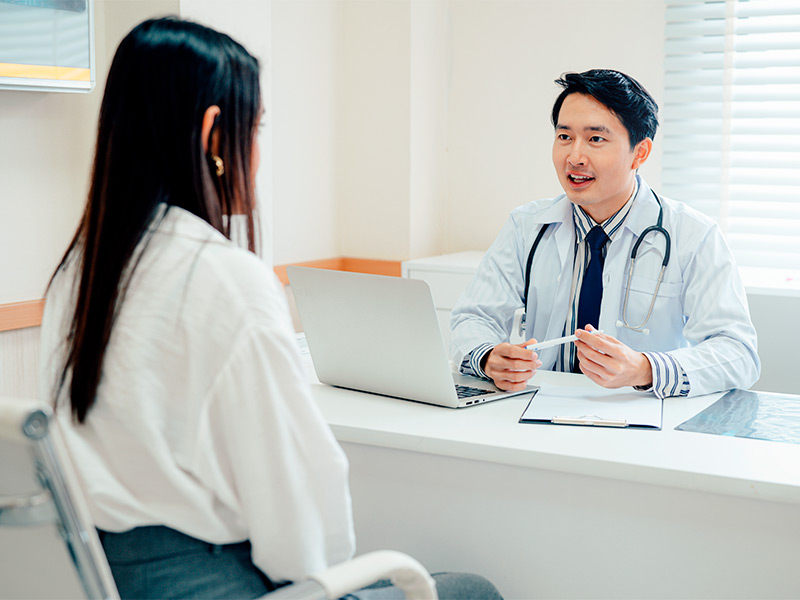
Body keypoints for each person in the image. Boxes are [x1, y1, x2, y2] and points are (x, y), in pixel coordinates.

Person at [39, 17, 501, 600]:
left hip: (98, 578)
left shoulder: (79, 270)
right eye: (254, 127)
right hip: (209, 582)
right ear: (214, 137)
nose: (257, 151)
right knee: (470, 590)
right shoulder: (223, 277)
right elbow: (300, 508)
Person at [451, 69, 759, 399]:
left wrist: (645, 368)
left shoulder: (693, 235)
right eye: (564, 137)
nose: (574, 157)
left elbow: (738, 353)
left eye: (596, 139)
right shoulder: (527, 226)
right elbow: (474, 317)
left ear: (640, 152)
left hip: (639, 415)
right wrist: (487, 357)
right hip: (533, 407)